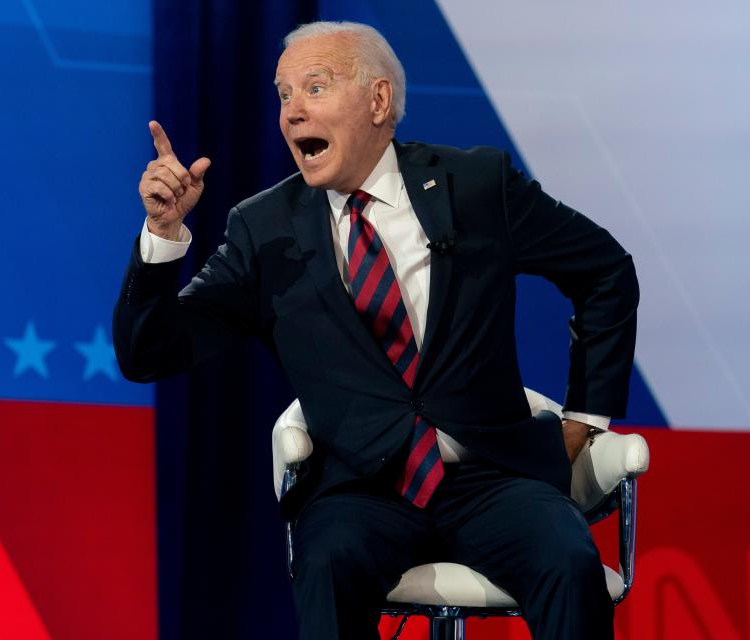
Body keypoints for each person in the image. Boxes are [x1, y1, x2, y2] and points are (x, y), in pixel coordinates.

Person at [113, 20, 638, 640]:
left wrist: (585, 418)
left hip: (494, 476)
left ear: (378, 100)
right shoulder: (265, 230)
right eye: (283, 95)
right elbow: (149, 351)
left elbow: (605, 271)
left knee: (569, 560)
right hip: (362, 488)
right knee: (327, 563)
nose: (292, 112)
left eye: (314, 87)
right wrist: (165, 237)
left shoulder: (474, 186)